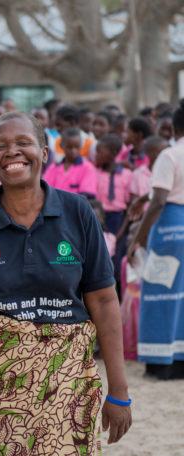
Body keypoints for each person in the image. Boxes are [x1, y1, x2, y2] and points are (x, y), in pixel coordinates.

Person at [0, 112, 131, 455]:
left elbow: (105, 302)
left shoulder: (77, 212)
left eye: (23, 143)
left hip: (69, 382)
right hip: (1, 384)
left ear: (45, 151)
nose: (11, 152)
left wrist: (119, 390)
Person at [128, 99, 184, 380]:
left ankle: (163, 362)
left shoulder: (170, 155)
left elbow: (161, 199)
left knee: (161, 293)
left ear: (173, 128)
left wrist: (137, 238)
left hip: (170, 229)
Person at [95, 134, 132, 283]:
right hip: (99, 219)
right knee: (100, 261)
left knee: (116, 263)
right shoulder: (95, 173)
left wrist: (120, 234)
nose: (96, 155)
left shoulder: (127, 175)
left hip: (118, 221)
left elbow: (129, 208)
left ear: (113, 153)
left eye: (99, 151)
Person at [43, 127, 97, 197]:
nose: (73, 150)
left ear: (81, 146)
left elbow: (86, 195)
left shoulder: (88, 168)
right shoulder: (54, 167)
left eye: (76, 147)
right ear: (61, 146)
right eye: (69, 147)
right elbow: (45, 190)